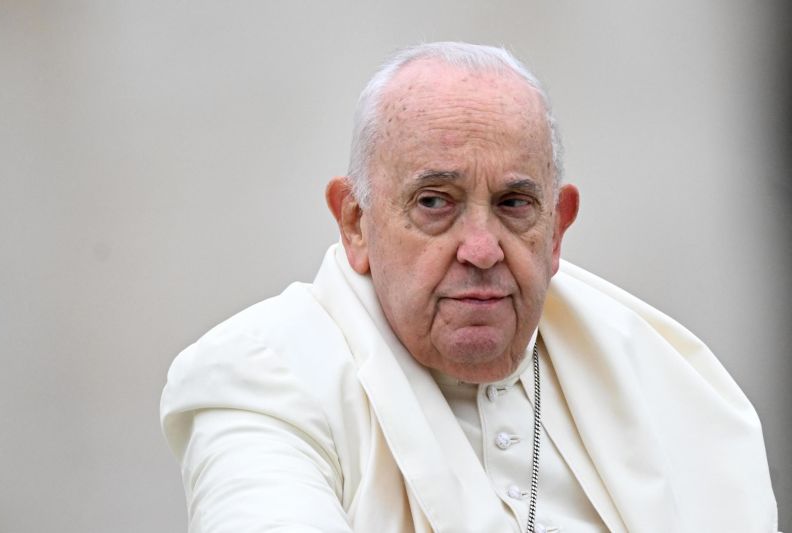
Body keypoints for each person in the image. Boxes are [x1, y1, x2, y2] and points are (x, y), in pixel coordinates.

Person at [160, 42, 778, 533]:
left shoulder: (667, 380)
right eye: (435, 202)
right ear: (356, 223)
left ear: (557, 229)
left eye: (514, 204)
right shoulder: (259, 375)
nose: (481, 249)